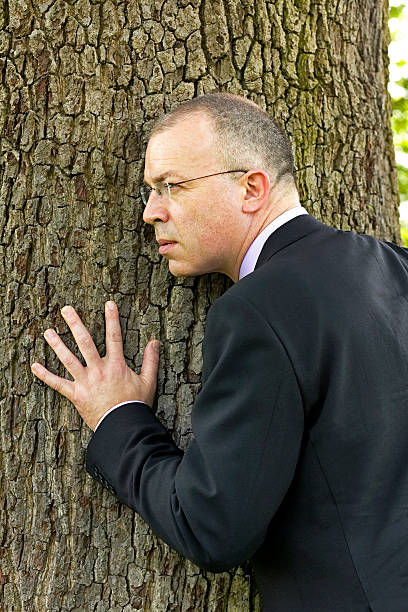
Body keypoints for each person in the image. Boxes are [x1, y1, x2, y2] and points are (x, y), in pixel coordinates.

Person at [31, 93, 408, 611]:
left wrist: (119, 417)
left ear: (251, 188)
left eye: (172, 186)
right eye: (150, 190)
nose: (150, 212)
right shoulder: (394, 264)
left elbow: (211, 527)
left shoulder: (255, 310)